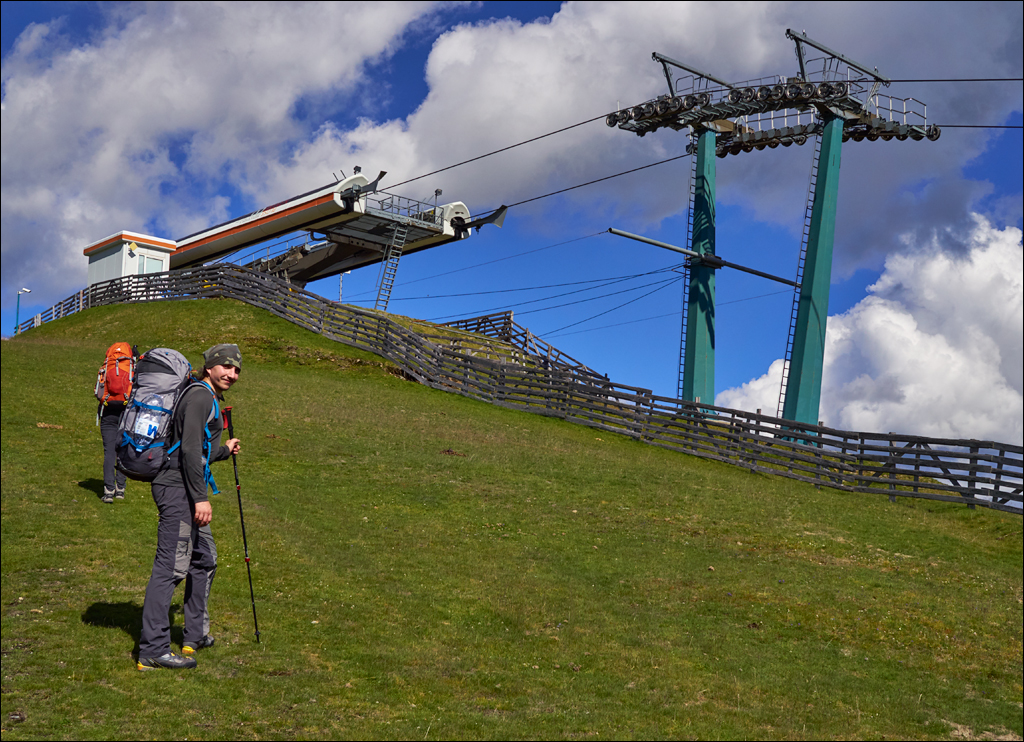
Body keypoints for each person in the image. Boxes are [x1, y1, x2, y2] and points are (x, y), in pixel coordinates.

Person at [136, 344, 242, 671]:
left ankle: (194, 634)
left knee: (204, 558)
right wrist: (200, 497)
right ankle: (152, 649)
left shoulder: (205, 397)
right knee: (170, 568)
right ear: (209, 366)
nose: (232, 374)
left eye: (237, 370)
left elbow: (196, 447)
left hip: (184, 487)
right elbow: (189, 454)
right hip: (178, 491)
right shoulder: (199, 397)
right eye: (226, 366)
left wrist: (223, 449)